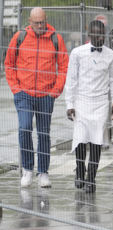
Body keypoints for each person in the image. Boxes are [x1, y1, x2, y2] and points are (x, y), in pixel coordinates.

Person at [4, 7, 69, 188]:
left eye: (43, 22)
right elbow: (9, 64)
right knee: (24, 129)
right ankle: (27, 169)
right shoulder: (20, 38)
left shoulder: (56, 38)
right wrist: (16, 88)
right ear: (30, 22)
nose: (40, 26)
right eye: (36, 23)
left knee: (43, 133)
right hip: (24, 93)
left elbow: (63, 66)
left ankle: (43, 172)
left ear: (45, 20)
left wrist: (56, 90)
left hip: (46, 94)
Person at [65, 20, 113, 193]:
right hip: (82, 101)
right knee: (80, 138)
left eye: (102, 35)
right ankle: (80, 171)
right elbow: (71, 79)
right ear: (89, 35)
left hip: (101, 102)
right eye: (96, 35)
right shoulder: (77, 53)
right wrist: (69, 103)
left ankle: (91, 178)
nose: (99, 38)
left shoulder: (111, 54)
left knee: (96, 140)